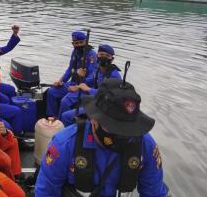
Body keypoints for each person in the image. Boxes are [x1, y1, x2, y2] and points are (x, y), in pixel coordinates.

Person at [36, 79, 167, 196]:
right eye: (112, 127)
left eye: (127, 129)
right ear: (93, 119)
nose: (120, 135)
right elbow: (46, 192)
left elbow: (154, 192)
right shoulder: (64, 145)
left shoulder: (145, 145)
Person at [59, 44, 121, 126]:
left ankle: (68, 133)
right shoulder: (98, 69)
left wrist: (88, 89)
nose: (103, 57)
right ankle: (58, 124)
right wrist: (79, 80)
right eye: (101, 55)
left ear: (112, 59)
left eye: (107, 56)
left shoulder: (114, 75)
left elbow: (109, 95)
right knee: (65, 101)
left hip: (103, 106)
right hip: (95, 98)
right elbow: (88, 81)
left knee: (66, 116)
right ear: (97, 56)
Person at [46, 31, 97, 117]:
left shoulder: (91, 55)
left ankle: (61, 123)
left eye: (81, 42)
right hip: (73, 83)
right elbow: (70, 69)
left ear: (85, 42)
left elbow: (92, 77)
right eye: (76, 43)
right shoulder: (75, 52)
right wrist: (61, 81)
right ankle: (52, 117)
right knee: (51, 92)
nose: (79, 45)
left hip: (84, 87)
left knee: (65, 102)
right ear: (73, 43)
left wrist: (77, 87)